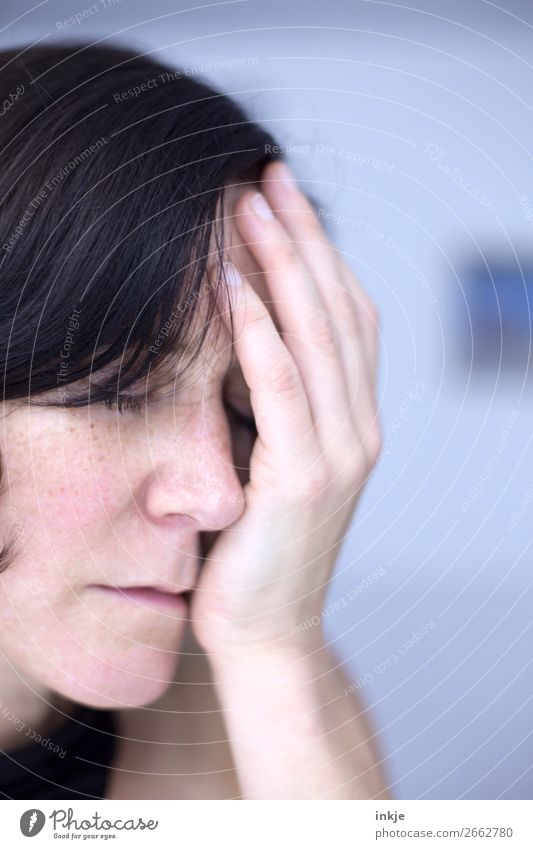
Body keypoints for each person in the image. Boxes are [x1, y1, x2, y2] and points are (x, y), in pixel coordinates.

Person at [0, 41, 388, 800]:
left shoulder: (234, 670)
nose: (220, 496)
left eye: (244, 409)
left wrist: (273, 646)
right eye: (117, 389)